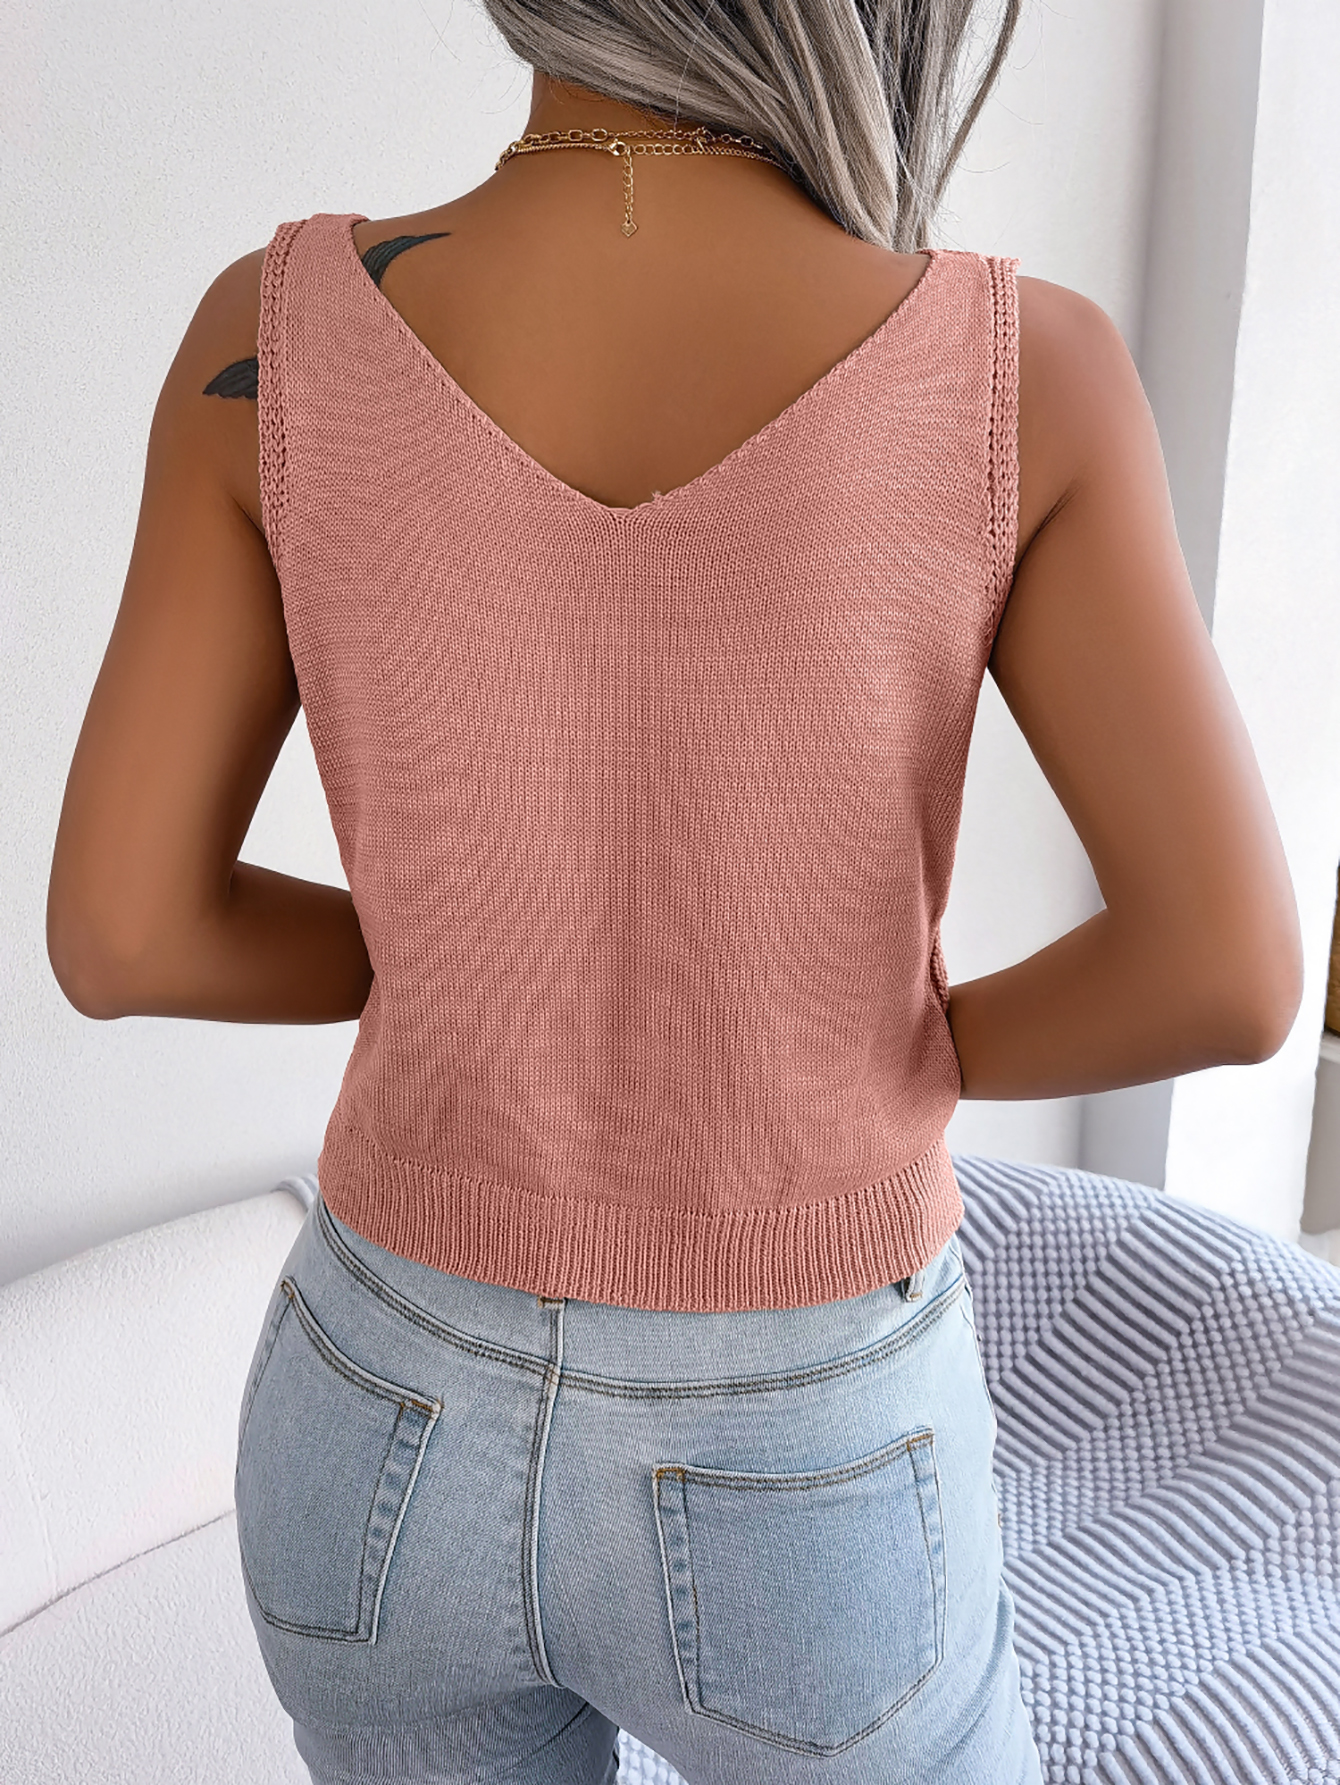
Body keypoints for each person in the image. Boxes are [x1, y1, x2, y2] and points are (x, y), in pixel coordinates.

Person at [45, 0, 1303, 1778]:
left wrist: (442, 954)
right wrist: (904, 1041)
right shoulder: (1025, 370)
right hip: (807, 1451)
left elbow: (121, 932)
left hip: (374, 1407)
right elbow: (1227, 970)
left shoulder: (270, 332)